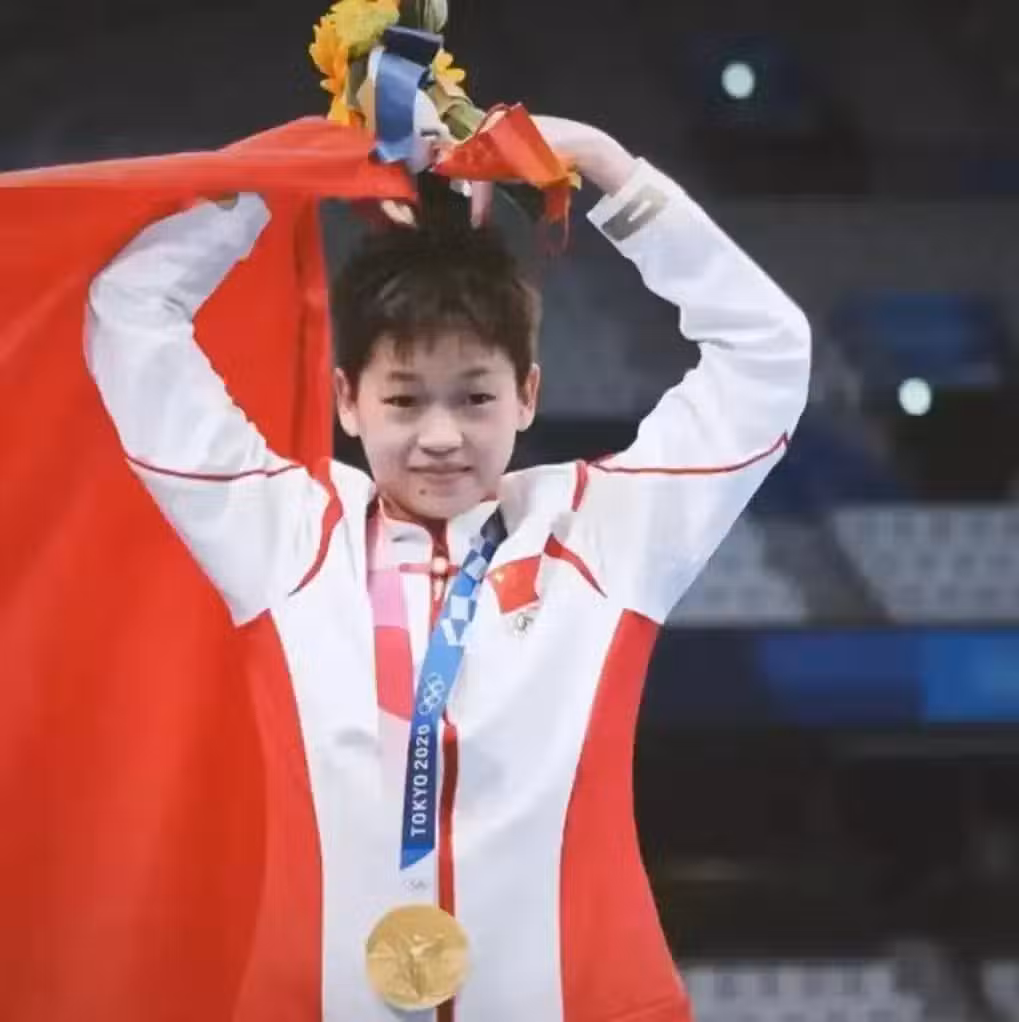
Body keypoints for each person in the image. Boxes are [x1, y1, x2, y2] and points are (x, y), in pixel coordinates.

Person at [84, 113, 811, 1022]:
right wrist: (279, 175)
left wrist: (605, 168)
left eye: (474, 398)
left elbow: (767, 354)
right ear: (348, 400)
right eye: (402, 400)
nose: (439, 436)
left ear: (527, 394)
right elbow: (129, 315)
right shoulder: (286, 537)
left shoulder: (602, 535)